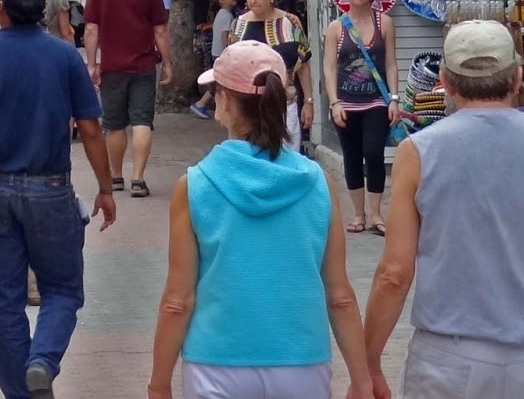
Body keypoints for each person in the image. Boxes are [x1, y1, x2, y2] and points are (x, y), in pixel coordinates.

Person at [149, 41, 373, 399]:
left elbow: (178, 301)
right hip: (302, 362)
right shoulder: (318, 183)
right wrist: (362, 380)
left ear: (222, 101)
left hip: (215, 364)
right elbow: (339, 295)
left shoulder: (194, 186)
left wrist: (159, 383)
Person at [0, 0, 116, 399]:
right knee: (62, 288)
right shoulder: (65, 58)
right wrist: (106, 187)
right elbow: (91, 129)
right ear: (42, 11)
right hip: (51, 187)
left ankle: (21, 392)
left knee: (2, 299)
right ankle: (42, 360)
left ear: (1, 9)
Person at [363, 21, 524, 395]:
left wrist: (368, 362)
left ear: (444, 79)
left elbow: (395, 273)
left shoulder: (419, 152)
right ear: (516, 77)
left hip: (449, 356)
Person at [82, 0, 170, 199]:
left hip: (112, 66)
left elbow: (90, 30)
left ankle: (116, 176)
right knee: (142, 121)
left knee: (114, 123)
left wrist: (91, 64)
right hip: (143, 65)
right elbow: (161, 30)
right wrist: (167, 62)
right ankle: (138, 179)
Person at [324, 0, 398, 235]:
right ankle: (358, 214)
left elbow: (390, 63)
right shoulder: (336, 28)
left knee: (374, 153)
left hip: (377, 101)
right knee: (352, 157)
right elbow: (329, 68)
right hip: (346, 102)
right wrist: (334, 103)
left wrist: (394, 99)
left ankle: (376, 213)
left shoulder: (385, 23)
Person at [231, 0, 312, 155]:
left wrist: (308, 102)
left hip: (286, 104)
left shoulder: (290, 23)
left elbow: (303, 65)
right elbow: (232, 65)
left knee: (287, 159)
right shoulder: (238, 25)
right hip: (249, 106)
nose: (253, 0)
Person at [190, 0, 239, 119]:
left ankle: (202, 104)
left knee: (219, 82)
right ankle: (201, 104)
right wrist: (227, 53)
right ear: (221, 0)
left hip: (217, 53)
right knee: (220, 83)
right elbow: (225, 36)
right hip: (221, 54)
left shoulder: (222, 14)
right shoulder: (226, 15)